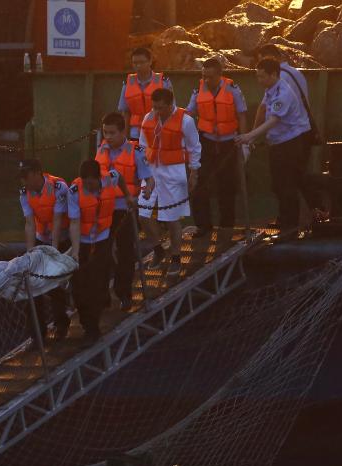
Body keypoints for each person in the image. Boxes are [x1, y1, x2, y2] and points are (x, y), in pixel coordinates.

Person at [235, 58, 312, 231]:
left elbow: (273, 121)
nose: (259, 80)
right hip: (277, 143)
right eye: (258, 76)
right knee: (278, 185)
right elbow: (263, 111)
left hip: (290, 144)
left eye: (262, 77)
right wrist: (252, 138)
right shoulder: (271, 90)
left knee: (287, 185)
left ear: (274, 74)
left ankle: (290, 224)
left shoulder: (283, 93)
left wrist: (249, 136)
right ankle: (284, 219)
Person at [67, 160, 134, 341]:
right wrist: (75, 249)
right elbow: (74, 223)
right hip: (83, 241)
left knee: (97, 280)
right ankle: (85, 319)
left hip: (103, 237)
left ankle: (92, 328)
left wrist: (127, 195)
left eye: (91, 182)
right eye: (85, 182)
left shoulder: (109, 178)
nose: (88, 186)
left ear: (98, 178)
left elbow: (119, 176)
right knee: (81, 284)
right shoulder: (74, 192)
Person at [138, 88, 201, 274]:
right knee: (143, 213)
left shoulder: (186, 121)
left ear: (171, 103)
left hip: (173, 171)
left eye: (161, 108)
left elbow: (194, 146)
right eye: (154, 107)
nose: (157, 111)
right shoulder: (148, 118)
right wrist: (143, 173)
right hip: (151, 171)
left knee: (172, 217)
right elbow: (142, 146)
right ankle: (158, 249)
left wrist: (194, 172)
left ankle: (175, 256)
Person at [95, 112, 153, 311]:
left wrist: (146, 192)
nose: (108, 137)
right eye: (105, 132)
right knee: (101, 252)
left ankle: (124, 294)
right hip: (103, 210)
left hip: (125, 210)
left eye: (112, 133)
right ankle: (102, 296)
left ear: (123, 132)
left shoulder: (136, 151)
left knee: (126, 252)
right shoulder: (101, 150)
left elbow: (149, 178)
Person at [185, 57, 247, 237]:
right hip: (206, 141)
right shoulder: (198, 91)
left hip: (229, 143)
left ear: (220, 75)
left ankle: (227, 226)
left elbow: (242, 114)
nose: (206, 80)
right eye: (204, 76)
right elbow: (189, 113)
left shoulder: (232, 89)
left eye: (210, 77)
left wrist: (244, 142)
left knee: (227, 185)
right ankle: (203, 226)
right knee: (200, 184)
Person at [18, 159, 77, 340]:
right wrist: (30, 254)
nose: (24, 182)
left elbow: (58, 220)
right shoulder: (24, 193)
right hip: (40, 238)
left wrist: (54, 252)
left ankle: (61, 324)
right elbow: (29, 223)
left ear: (37, 173)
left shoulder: (58, 187)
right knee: (33, 286)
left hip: (62, 240)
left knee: (55, 283)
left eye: (26, 177)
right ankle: (37, 335)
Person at [117, 47, 172, 141]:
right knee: (138, 155)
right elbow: (125, 113)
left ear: (150, 61)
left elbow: (170, 109)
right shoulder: (127, 84)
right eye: (135, 63)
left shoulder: (163, 82)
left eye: (142, 62)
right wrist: (125, 138)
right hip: (135, 134)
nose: (138, 66)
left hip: (157, 132)